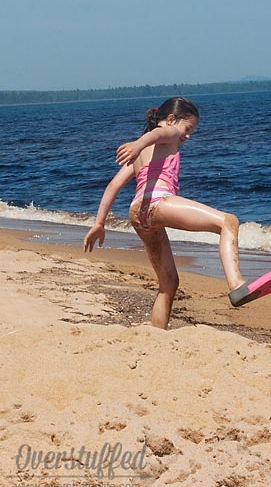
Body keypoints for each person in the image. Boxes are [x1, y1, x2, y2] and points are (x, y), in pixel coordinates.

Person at [83, 96, 245, 329]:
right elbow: (157, 134)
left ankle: (157, 335)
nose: (188, 136)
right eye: (187, 129)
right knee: (228, 222)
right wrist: (139, 143)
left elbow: (113, 185)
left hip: (137, 213)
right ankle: (236, 284)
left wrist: (99, 223)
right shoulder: (166, 134)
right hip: (158, 203)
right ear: (171, 119)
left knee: (168, 284)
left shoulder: (139, 155)